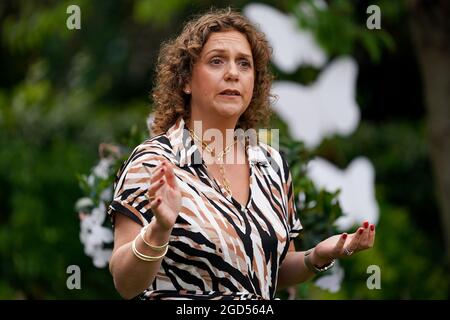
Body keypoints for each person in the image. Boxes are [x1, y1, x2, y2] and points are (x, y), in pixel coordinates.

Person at [107, 8, 375, 300]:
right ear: (185, 81)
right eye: (216, 61)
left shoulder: (271, 165)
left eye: (244, 64)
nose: (233, 73)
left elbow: (273, 270)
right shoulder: (153, 162)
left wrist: (317, 256)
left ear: (254, 83)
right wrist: (159, 229)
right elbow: (125, 283)